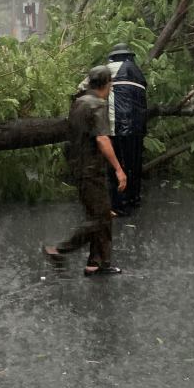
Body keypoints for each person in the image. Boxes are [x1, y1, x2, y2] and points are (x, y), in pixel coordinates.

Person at [44, 66, 129, 276]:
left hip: (79, 166)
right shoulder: (97, 104)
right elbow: (102, 139)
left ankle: (98, 263)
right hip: (92, 169)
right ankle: (60, 250)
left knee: (100, 215)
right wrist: (119, 169)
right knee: (101, 218)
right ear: (107, 84)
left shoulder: (79, 102)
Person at [106, 43, 148, 217]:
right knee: (134, 165)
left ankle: (119, 206)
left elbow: (84, 87)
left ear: (114, 57)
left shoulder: (110, 69)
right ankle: (134, 200)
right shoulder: (138, 72)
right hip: (138, 127)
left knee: (118, 166)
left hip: (118, 126)